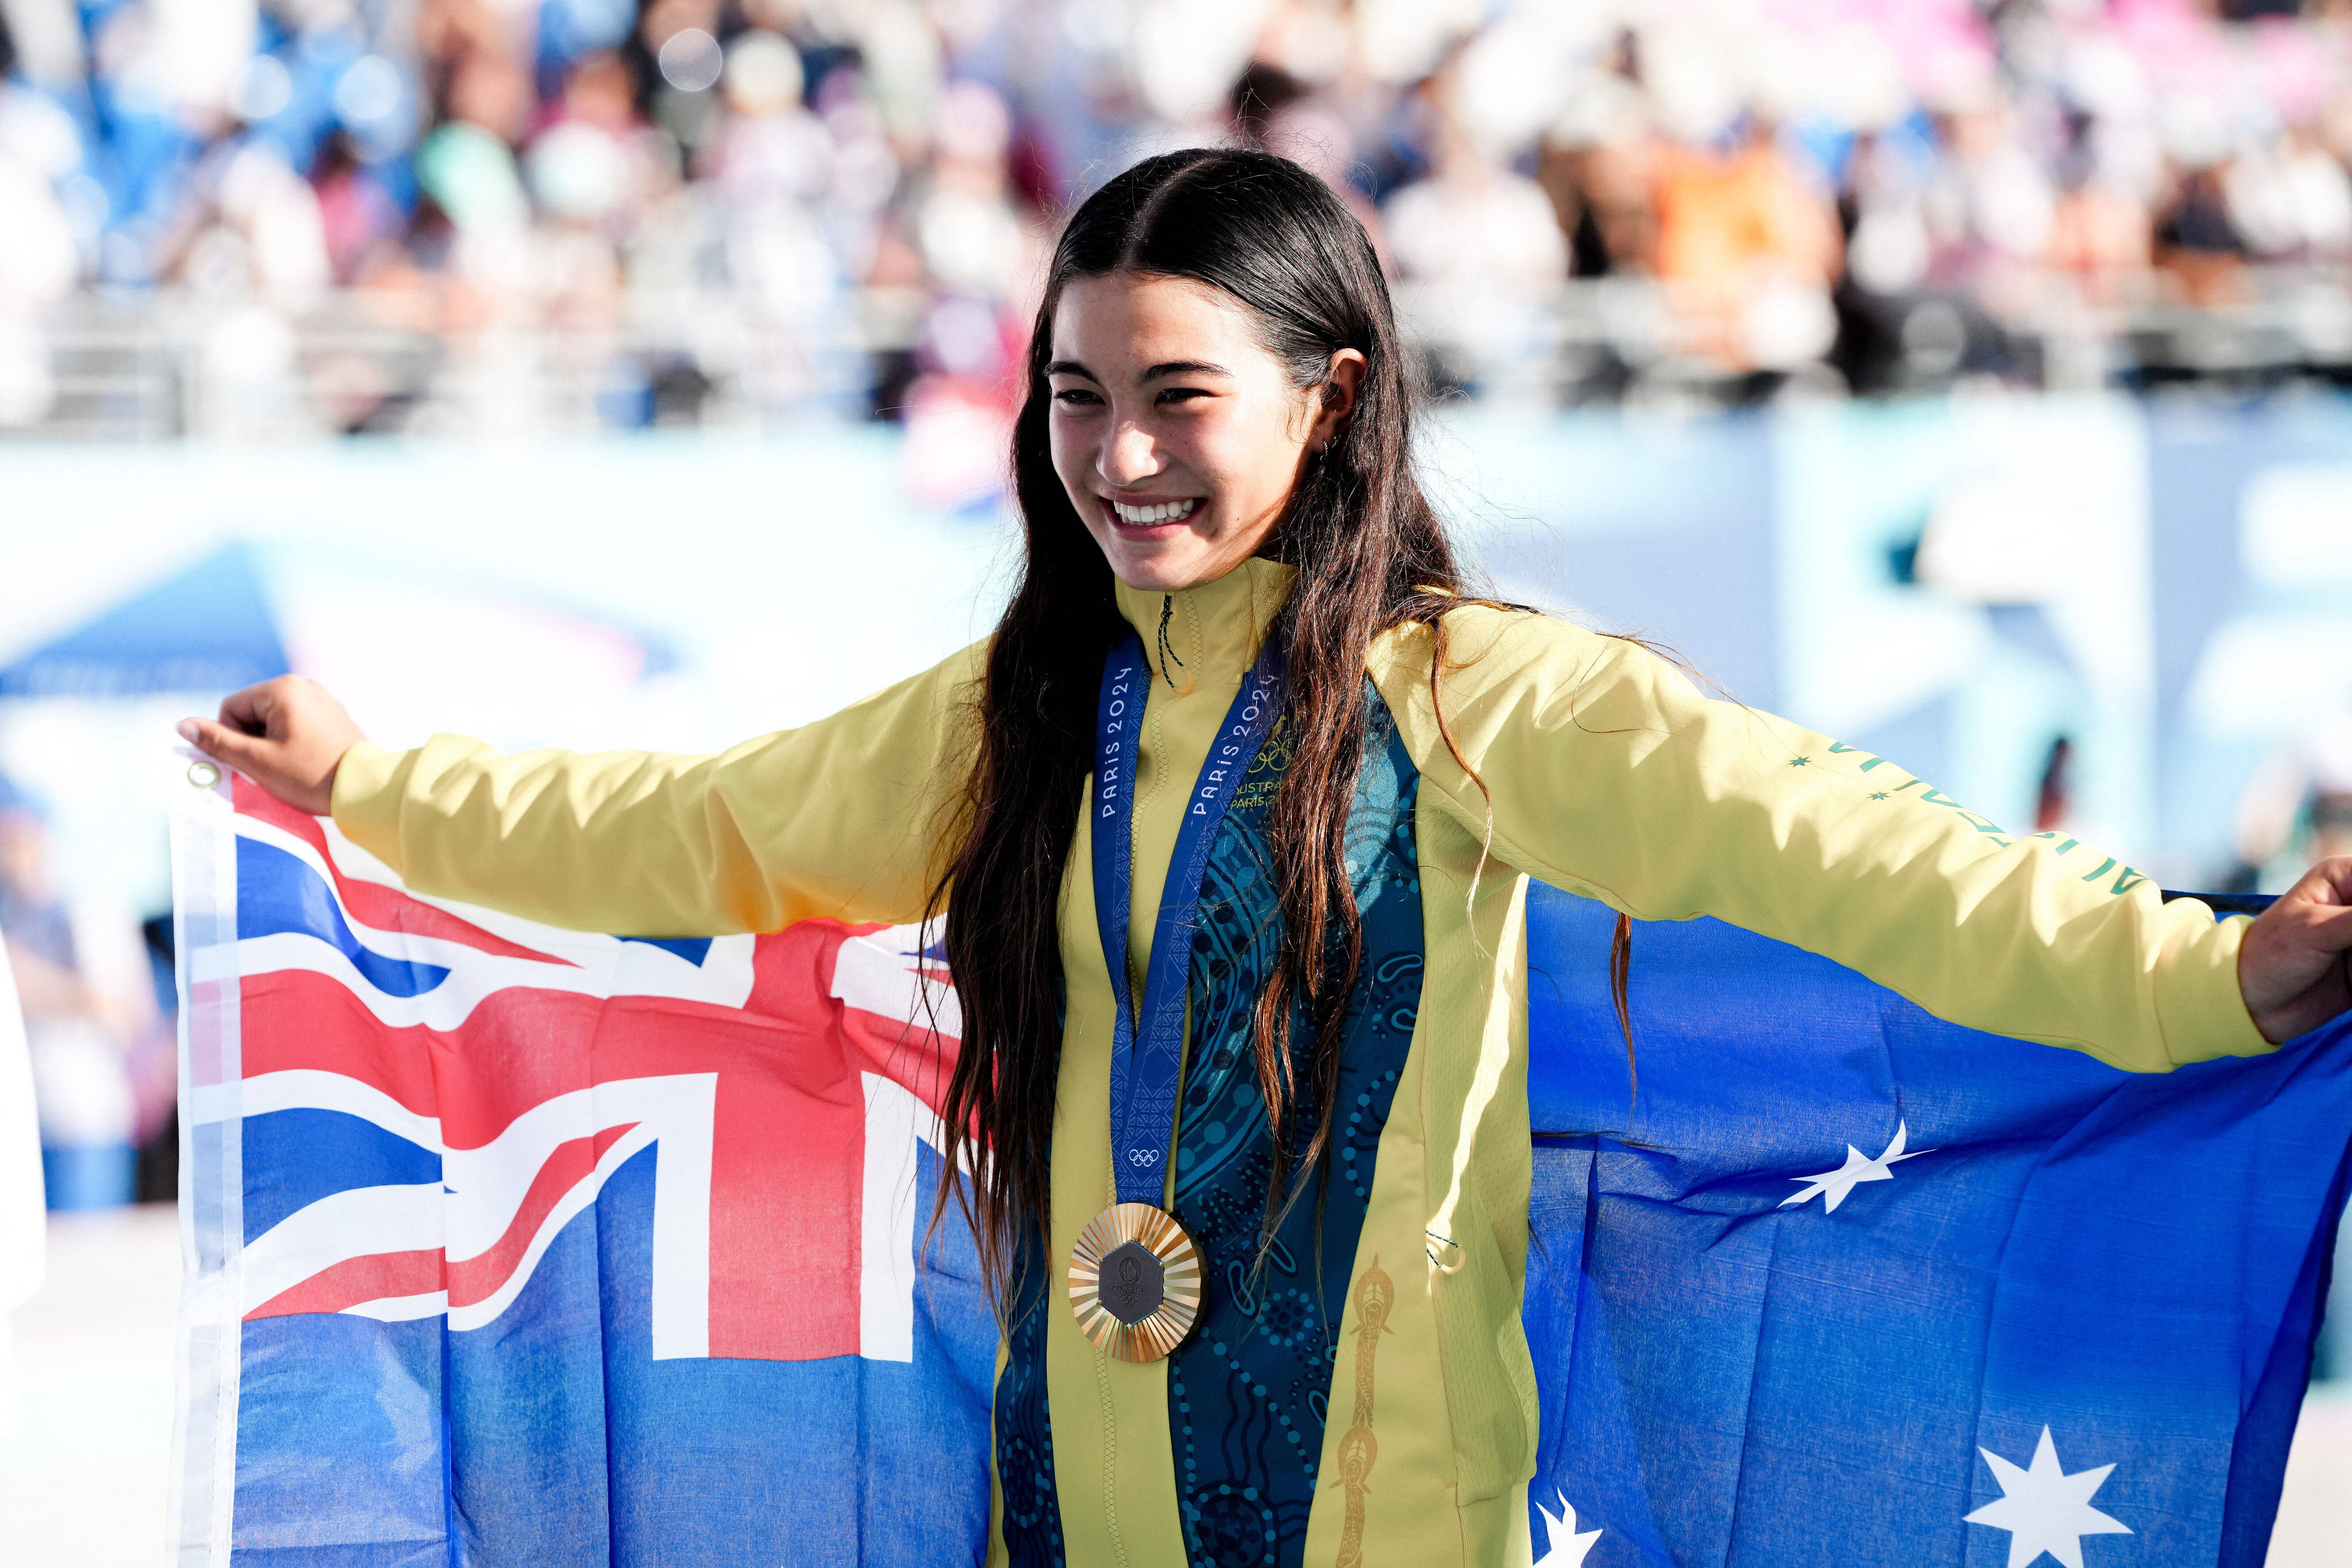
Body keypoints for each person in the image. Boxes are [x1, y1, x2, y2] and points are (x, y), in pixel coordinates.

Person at [179, 149, 2352, 1568]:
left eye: (1181, 396)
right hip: (1061, 1514)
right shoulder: (1016, 714)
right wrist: (375, 783)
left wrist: (2200, 978)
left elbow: (1856, 856)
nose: (1119, 455)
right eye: (1075, 394)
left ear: (1330, 394)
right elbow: (701, 829)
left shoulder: (1484, 700)